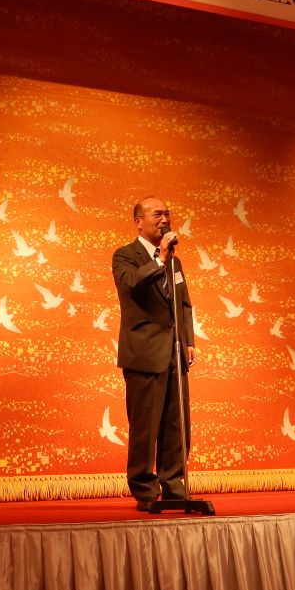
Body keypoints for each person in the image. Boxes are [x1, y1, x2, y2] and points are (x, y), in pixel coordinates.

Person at [112, 196, 196, 511]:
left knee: (177, 424)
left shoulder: (175, 262)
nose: (164, 219)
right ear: (139, 221)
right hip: (144, 353)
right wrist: (159, 258)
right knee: (145, 427)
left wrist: (188, 340)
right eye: (157, 214)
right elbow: (131, 285)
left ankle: (174, 486)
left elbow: (183, 303)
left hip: (174, 352)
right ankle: (145, 490)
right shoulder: (125, 255)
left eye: (167, 213)